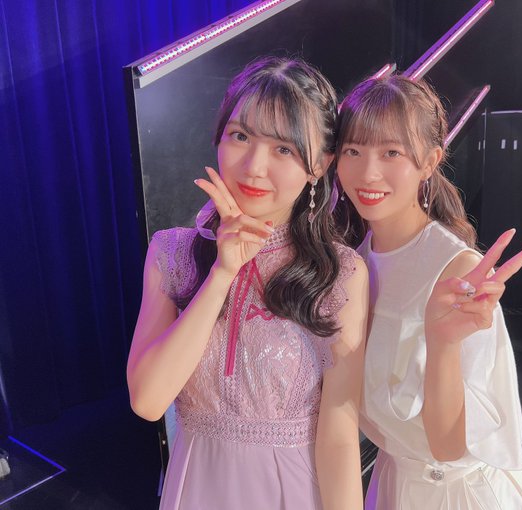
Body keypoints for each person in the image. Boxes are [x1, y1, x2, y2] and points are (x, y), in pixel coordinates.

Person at [126, 56, 368, 510]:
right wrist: (221, 275)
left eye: (284, 149)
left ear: (320, 164)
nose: (254, 166)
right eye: (240, 136)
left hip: (293, 493)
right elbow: (148, 400)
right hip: (196, 490)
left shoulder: (341, 274)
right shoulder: (172, 253)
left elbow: (339, 437)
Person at [335, 74, 522, 509]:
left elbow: (449, 445)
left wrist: (443, 344)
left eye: (392, 152)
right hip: (394, 483)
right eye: (352, 151)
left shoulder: (457, 271)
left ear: (430, 161)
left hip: (458, 494)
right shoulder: (353, 263)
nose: (368, 172)